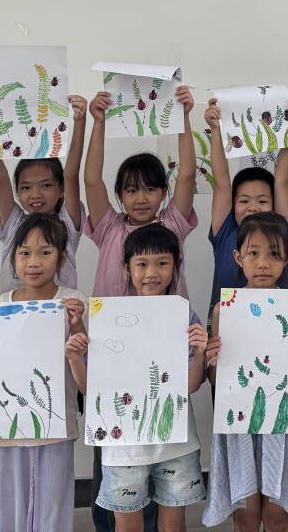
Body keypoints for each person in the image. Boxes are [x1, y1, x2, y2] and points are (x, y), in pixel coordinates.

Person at [73, 224, 208, 532]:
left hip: (176, 443)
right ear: (126, 267)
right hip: (123, 447)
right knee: (127, 526)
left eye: (162, 263)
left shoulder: (184, 316)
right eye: (142, 264)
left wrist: (200, 353)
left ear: (175, 266)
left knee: (172, 526)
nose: (152, 273)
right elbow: (90, 388)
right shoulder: (108, 319)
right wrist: (74, 358)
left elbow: (189, 386)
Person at [203, 213, 288, 531]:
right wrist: (213, 361)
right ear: (238, 257)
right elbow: (218, 380)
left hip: (283, 426)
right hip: (239, 426)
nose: (263, 263)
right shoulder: (223, 310)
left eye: (274, 254)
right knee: (245, 516)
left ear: (286, 258)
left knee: (277, 516)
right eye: (253, 253)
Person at [0, 213, 85, 532]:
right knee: (10, 501)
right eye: (25, 253)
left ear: (61, 257)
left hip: (56, 424)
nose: (34, 262)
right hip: (7, 425)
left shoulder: (74, 302)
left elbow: (88, 361)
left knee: (53, 503)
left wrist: (77, 325)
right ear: (14, 257)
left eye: (45, 252)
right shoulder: (0, 305)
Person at [0, 92, 86, 293]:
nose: (36, 194)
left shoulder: (66, 223)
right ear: (17, 193)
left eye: (46, 185)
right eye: (26, 187)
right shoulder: (14, 223)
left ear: (61, 189)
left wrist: (80, 122)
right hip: (11, 310)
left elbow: (71, 173)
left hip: (59, 309)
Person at [83, 84, 198, 298]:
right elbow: (91, 181)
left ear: (163, 192)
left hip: (166, 319)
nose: (141, 199)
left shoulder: (171, 224)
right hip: (111, 320)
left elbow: (187, 175)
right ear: (120, 195)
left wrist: (183, 118)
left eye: (150, 189)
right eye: (132, 190)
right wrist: (98, 123)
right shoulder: (109, 228)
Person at [204, 96, 288, 320]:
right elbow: (221, 182)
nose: (253, 208)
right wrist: (216, 132)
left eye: (262, 201)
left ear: (274, 205)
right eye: (244, 201)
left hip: (279, 326)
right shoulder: (225, 231)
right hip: (225, 328)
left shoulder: (282, 230)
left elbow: (283, 181)